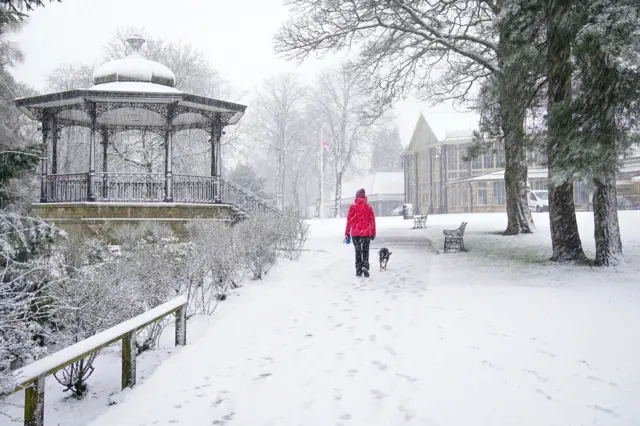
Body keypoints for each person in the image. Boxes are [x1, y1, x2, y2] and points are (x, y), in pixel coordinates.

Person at [345, 188, 376, 277]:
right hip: (366, 233)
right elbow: (372, 221)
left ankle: (358, 269)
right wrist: (373, 232)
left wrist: (347, 233)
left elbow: (349, 221)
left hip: (356, 234)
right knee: (365, 251)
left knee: (358, 252)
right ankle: (365, 266)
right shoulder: (368, 207)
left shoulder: (353, 207)